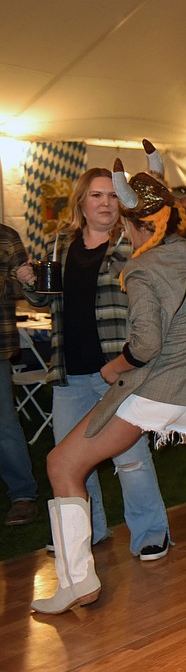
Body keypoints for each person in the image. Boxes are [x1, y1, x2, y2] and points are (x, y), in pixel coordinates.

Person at [31, 161, 186, 615]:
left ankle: (78, 582)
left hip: (155, 392)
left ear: (138, 224)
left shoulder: (140, 269)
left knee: (61, 464)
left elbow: (145, 345)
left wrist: (111, 369)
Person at [22, 166, 171, 558]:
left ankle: (151, 533)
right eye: (97, 195)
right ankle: (84, 532)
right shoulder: (59, 245)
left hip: (117, 371)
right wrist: (28, 279)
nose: (106, 203)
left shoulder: (133, 243)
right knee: (72, 460)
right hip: (69, 370)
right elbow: (44, 298)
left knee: (131, 459)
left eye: (112, 196)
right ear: (82, 203)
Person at [0, 224, 37, 526]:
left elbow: (26, 285)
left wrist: (11, 280)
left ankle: (22, 494)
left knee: (4, 422)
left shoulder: (6, 236)